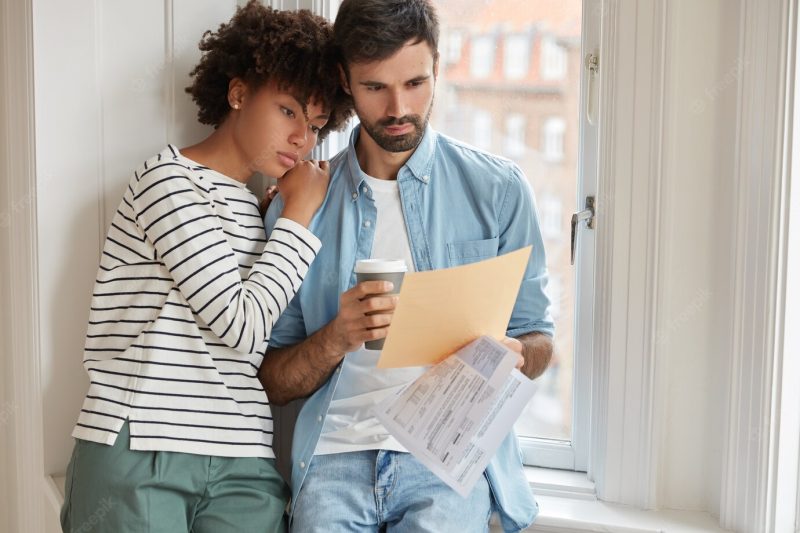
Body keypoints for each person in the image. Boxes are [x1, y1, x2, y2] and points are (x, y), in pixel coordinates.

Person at [258, 0, 554, 531]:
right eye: (375, 87)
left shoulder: (499, 191)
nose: (399, 108)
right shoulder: (300, 203)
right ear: (345, 81)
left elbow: (540, 342)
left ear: (437, 66)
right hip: (334, 455)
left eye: (415, 83)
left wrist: (514, 354)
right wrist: (334, 338)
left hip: (447, 457)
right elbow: (272, 381)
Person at [60, 2, 350, 532]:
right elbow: (240, 327)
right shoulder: (167, 180)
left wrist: (282, 219)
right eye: (288, 111)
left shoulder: (258, 208)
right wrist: (301, 216)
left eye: (315, 125)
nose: (301, 139)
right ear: (238, 92)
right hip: (143, 446)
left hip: (244, 458)